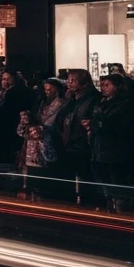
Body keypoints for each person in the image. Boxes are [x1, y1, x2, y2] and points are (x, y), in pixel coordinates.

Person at [87, 73, 131, 212]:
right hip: (100, 149)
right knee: (105, 182)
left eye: (107, 85)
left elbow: (112, 124)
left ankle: (122, 209)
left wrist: (96, 123)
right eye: (102, 85)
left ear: (117, 87)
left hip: (115, 150)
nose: (103, 88)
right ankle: (110, 206)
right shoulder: (101, 102)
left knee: (117, 182)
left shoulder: (124, 103)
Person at [55, 69, 99, 199]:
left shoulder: (92, 99)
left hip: (81, 144)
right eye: (68, 80)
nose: (69, 83)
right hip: (68, 143)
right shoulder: (72, 98)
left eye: (73, 80)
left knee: (85, 179)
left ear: (83, 83)